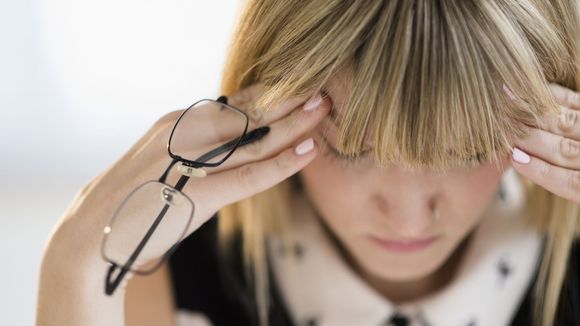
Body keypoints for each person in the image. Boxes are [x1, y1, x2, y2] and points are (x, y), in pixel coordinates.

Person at [37, 0, 580, 325]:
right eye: (348, 150)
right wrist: (73, 269)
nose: (409, 219)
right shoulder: (167, 273)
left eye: (469, 151)